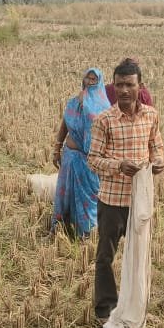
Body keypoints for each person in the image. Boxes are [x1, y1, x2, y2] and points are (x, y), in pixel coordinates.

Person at [87, 57, 164, 325]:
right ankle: (105, 308)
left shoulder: (151, 115)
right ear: (113, 86)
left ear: (139, 86)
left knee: (139, 255)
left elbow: (156, 146)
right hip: (111, 200)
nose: (124, 90)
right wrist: (119, 165)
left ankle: (136, 305)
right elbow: (93, 160)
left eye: (129, 85)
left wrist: (158, 161)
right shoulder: (104, 120)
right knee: (105, 257)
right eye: (119, 85)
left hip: (140, 200)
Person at [52, 67, 108, 237]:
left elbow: (102, 134)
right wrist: (57, 148)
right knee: (64, 195)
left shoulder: (103, 106)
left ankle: (85, 234)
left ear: (99, 82)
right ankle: (60, 228)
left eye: (93, 79)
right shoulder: (73, 101)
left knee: (87, 199)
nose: (89, 82)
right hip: (69, 158)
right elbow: (64, 125)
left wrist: (87, 106)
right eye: (87, 78)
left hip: (87, 163)